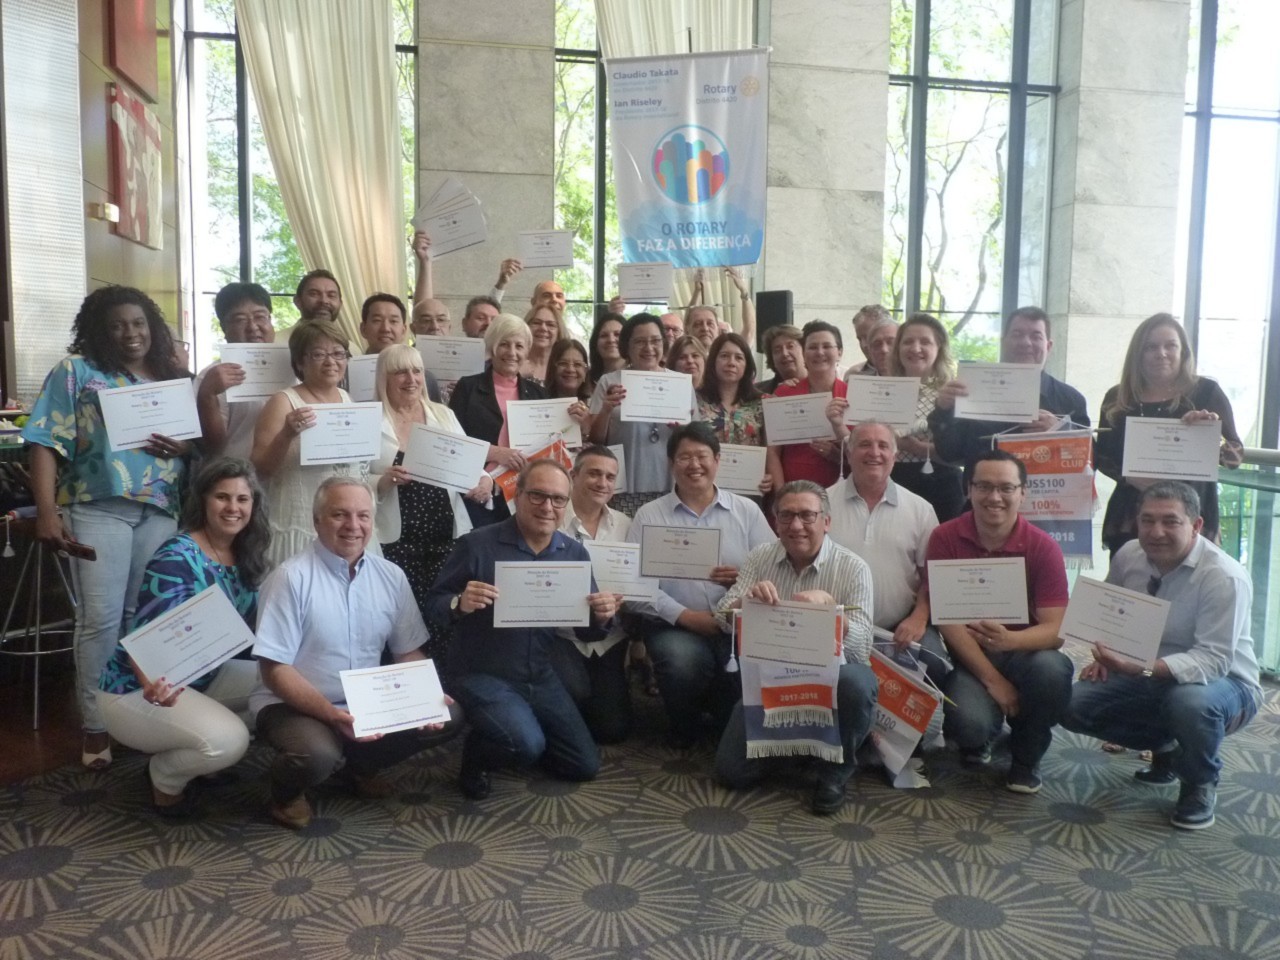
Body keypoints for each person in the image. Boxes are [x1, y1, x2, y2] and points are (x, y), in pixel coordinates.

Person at [23, 285, 191, 770]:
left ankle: (137, 716)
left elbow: (193, 443)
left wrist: (183, 447)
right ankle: (96, 724)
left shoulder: (169, 376)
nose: (130, 333)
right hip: (98, 507)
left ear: (152, 326)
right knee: (101, 618)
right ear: (99, 329)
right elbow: (43, 440)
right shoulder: (76, 371)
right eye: (117, 325)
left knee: (144, 617)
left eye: (138, 323)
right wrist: (47, 511)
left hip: (160, 508)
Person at [252, 478, 460, 829]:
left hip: (365, 701)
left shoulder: (391, 576)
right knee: (316, 754)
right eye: (339, 515)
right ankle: (285, 796)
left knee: (448, 714)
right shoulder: (290, 578)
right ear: (317, 521)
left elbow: (408, 651)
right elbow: (275, 671)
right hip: (292, 703)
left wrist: (425, 698)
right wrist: (332, 716)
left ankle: (359, 767)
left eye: (363, 516)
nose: (353, 525)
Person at [1062, 481, 1261, 830]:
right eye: (1147, 520)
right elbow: (1111, 612)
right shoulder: (1128, 556)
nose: (1156, 532)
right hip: (1145, 671)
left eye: (1170, 521)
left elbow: (1214, 660)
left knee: (1189, 704)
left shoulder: (1223, 577)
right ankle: (1167, 746)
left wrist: (1145, 668)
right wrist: (1104, 656)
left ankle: (1199, 782)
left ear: (1196, 525)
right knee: (1068, 703)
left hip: (1225, 684)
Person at [426, 460, 621, 799]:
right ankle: (479, 755)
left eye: (558, 499)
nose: (547, 507)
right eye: (537, 496)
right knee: (526, 744)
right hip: (481, 673)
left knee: (583, 765)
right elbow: (433, 607)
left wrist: (602, 617)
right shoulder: (477, 545)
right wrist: (459, 603)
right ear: (517, 496)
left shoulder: (573, 553)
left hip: (539, 673)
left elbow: (587, 632)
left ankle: (515, 732)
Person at [96, 458, 268, 818]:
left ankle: (200, 757)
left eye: (242, 499)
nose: (233, 507)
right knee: (231, 740)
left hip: (199, 676)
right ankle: (164, 777)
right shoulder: (177, 556)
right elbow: (145, 638)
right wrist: (153, 687)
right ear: (203, 500)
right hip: (137, 687)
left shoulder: (244, 553)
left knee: (277, 689)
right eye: (222, 497)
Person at [713, 481, 877, 814]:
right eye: (786, 516)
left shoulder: (853, 567)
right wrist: (746, 602)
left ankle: (834, 771)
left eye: (807, 515)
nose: (796, 525)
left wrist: (834, 614)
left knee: (858, 683)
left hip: (832, 683)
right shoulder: (760, 557)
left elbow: (862, 648)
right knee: (732, 773)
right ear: (775, 522)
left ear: (826, 521)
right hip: (772, 682)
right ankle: (802, 748)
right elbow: (722, 615)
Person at [926, 450, 1072, 793]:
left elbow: (1057, 631)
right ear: (968, 489)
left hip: (1027, 653)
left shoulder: (1044, 547)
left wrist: (1009, 641)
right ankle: (984, 736)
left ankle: (1026, 756)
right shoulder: (945, 537)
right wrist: (994, 680)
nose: (995, 497)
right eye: (984, 487)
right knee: (969, 726)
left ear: (1023, 493)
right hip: (971, 656)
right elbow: (947, 621)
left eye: (1006, 488)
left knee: (1052, 671)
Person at [627, 423, 775, 747]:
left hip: (737, 624)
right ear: (671, 464)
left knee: (734, 700)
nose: (694, 465)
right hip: (674, 625)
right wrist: (687, 616)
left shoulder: (746, 511)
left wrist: (741, 578)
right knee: (682, 663)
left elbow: (773, 569)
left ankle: (721, 714)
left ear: (717, 460)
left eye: (702, 456)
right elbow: (634, 587)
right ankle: (684, 725)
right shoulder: (649, 516)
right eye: (684, 457)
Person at [372, 344, 493, 679]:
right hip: (396, 541)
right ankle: (404, 694)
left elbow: (471, 464)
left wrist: (484, 482)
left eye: (416, 371)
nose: (411, 379)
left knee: (443, 618)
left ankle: (445, 695)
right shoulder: (372, 419)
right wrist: (382, 481)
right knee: (402, 625)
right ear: (384, 378)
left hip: (446, 537)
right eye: (400, 372)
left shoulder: (443, 415)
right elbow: (351, 476)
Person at [1096, 312, 1242, 556]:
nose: (1161, 353)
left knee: (1190, 579)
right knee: (1130, 576)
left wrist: (1212, 436)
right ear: (1138, 354)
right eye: (1150, 347)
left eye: (1170, 345)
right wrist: (1130, 478)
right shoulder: (1118, 397)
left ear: (1183, 351)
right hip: (1134, 513)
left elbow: (1234, 460)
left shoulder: (1206, 392)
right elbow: (1102, 456)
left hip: (1191, 515)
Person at [826, 421, 948, 687]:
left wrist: (919, 617)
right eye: (864, 444)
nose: (874, 453)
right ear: (849, 453)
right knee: (850, 690)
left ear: (894, 456)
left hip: (899, 628)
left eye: (883, 446)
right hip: (833, 627)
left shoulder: (920, 509)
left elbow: (934, 577)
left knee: (935, 664)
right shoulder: (821, 505)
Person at [252, 320, 373, 568]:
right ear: (299, 361)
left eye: (338, 353)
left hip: (347, 525)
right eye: (319, 354)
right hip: (300, 524)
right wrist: (286, 434)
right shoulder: (283, 402)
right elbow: (259, 469)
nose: (331, 362)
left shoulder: (348, 400)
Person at [930, 306, 1091, 466]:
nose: (1026, 343)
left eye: (1036, 336)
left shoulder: (1071, 399)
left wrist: (1061, 431)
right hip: (984, 482)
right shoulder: (971, 390)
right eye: (1017, 334)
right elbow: (949, 453)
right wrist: (944, 410)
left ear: (1048, 346)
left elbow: (1090, 460)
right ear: (1003, 342)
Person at [549, 446, 633, 743]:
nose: (602, 483)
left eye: (610, 477)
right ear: (573, 476)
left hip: (610, 637)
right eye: (594, 474)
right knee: (574, 693)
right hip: (561, 635)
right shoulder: (550, 518)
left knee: (612, 730)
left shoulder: (626, 524)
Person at [587, 313, 697, 515]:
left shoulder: (680, 384)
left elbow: (695, 441)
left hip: (671, 486)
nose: (649, 348)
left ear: (664, 343)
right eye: (640, 342)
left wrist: (683, 429)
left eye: (655, 341)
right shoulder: (610, 382)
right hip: (623, 487)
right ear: (627, 346)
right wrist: (606, 410)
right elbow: (596, 439)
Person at [887, 313, 964, 522]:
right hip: (892, 483)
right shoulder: (882, 390)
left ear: (939, 348)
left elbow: (960, 453)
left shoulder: (953, 393)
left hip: (941, 487)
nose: (915, 348)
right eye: (908, 342)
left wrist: (915, 447)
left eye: (925, 342)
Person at [195, 282, 276, 461]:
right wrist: (207, 395)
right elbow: (211, 447)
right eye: (240, 320)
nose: (253, 327)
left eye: (260, 317)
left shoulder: (293, 367)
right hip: (235, 474)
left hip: (285, 474)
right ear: (224, 328)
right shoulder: (211, 376)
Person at [766, 320, 847, 491]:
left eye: (827, 346)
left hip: (840, 491)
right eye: (812, 347)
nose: (820, 352)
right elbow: (773, 452)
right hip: (793, 491)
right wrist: (781, 495)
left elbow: (862, 452)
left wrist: (836, 455)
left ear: (839, 352)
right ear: (803, 353)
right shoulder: (784, 394)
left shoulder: (852, 395)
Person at [698, 332, 768, 449]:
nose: (731, 363)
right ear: (713, 361)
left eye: (739, 358)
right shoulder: (696, 400)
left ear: (747, 365)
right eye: (724, 356)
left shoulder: (762, 403)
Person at [521, 303, 566, 386]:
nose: (543, 328)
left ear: (559, 332)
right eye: (536, 323)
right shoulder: (514, 363)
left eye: (550, 325)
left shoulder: (564, 369)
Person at [756, 324, 806, 394]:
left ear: (804, 350)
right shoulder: (758, 392)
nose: (784, 354)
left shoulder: (820, 386)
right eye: (777, 350)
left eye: (790, 346)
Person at [849, 304, 894, 376]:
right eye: (860, 339)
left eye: (869, 336)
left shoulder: (910, 372)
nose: (864, 345)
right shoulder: (854, 375)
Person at [588, 312, 626, 383]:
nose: (611, 340)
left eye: (617, 334)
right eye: (604, 335)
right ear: (595, 343)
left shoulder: (640, 376)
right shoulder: (585, 380)